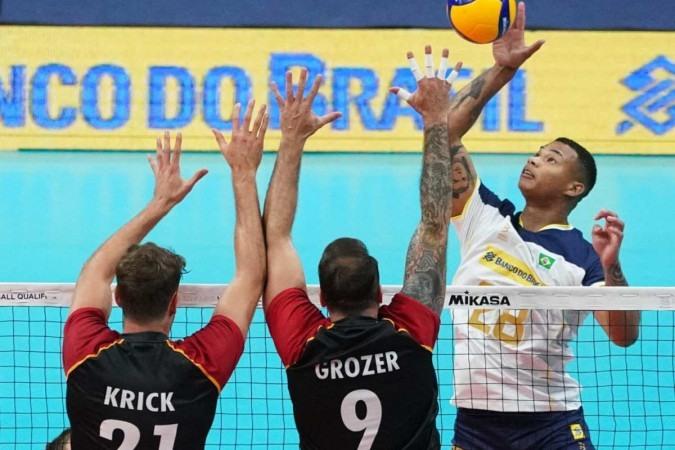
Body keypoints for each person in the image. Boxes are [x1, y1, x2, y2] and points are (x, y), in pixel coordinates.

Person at [445, 3, 640, 449]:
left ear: (574, 188)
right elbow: (445, 137)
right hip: (475, 427)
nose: (534, 159)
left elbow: (625, 337)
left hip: (550, 425)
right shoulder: (482, 217)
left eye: (551, 159)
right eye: (537, 151)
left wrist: (612, 269)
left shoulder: (583, 258)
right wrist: (501, 72)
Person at [262, 47, 460, 450]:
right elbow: (436, 225)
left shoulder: (302, 342)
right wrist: (436, 120)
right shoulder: (409, 330)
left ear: (319, 297)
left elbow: (275, 238)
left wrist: (291, 140)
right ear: (379, 293)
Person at [62, 101, 268, 449]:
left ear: (118, 297)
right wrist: (243, 174)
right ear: (175, 302)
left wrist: (160, 203)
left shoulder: (86, 354)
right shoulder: (201, 365)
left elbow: (95, 272)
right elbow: (251, 276)